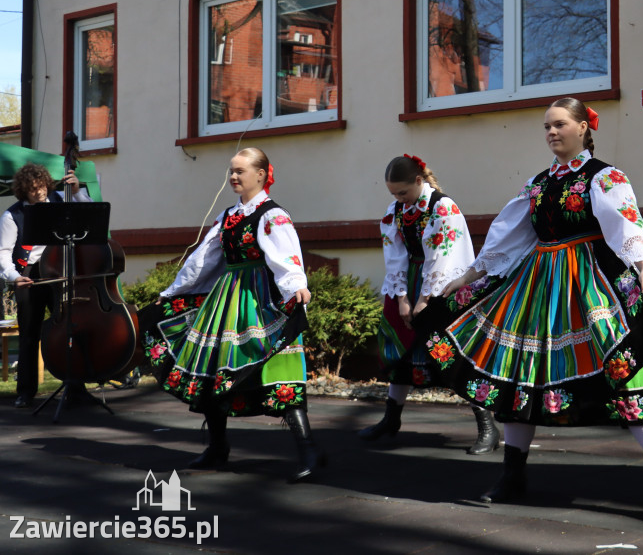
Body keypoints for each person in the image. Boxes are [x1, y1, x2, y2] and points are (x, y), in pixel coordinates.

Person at [419, 98, 643, 520]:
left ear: (585, 127)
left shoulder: (604, 176)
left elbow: (627, 223)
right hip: (538, 285)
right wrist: (466, 277)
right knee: (519, 374)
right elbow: (507, 238)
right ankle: (513, 474)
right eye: (547, 127)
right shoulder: (537, 184)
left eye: (560, 124)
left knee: (625, 369)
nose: (551, 132)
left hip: (591, 284)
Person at [141, 148, 321, 483]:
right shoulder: (227, 217)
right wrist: (172, 293)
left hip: (261, 298)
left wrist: (296, 286)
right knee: (212, 369)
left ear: (262, 174)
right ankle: (218, 447)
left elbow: (287, 256)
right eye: (231, 171)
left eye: (240, 171)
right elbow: (203, 260)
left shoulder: (272, 215)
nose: (234, 177)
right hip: (226, 298)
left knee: (279, 369)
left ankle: (308, 450)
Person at [359, 154, 500, 455]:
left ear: (419, 181)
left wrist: (425, 299)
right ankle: (391, 418)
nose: (399, 199)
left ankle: (487, 425)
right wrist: (401, 298)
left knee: (452, 350)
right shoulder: (396, 211)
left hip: (440, 284)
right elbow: (394, 255)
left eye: (403, 192)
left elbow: (443, 255)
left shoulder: (442, 207)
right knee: (401, 350)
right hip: (409, 281)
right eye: (393, 194)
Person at [0, 163, 90, 408]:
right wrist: (13, 276)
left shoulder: (61, 199)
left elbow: (90, 215)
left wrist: (78, 190)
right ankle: (26, 392)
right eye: (32, 190)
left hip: (61, 270)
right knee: (30, 333)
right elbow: (3, 252)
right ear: (23, 191)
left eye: (41, 187)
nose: (39, 193)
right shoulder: (12, 215)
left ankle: (76, 387)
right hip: (29, 275)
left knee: (69, 328)